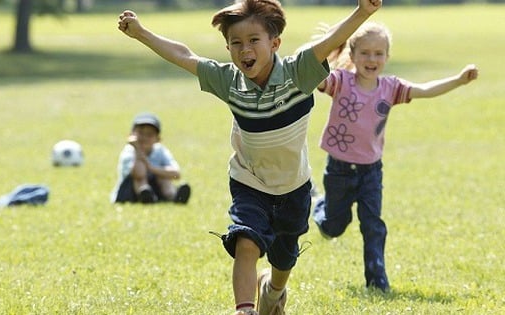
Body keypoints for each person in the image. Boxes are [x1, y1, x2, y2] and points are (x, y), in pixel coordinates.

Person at [117, 0, 381, 313]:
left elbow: (329, 41)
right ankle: (244, 308)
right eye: (236, 43)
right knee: (246, 241)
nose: (245, 50)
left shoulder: (298, 73)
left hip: (294, 186)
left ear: (275, 42)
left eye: (254, 40)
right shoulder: (229, 82)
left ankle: (272, 290)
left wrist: (363, 11)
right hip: (249, 181)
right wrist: (142, 33)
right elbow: (184, 55)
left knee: (284, 258)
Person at [311, 21, 479, 292]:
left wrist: (459, 80)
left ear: (387, 58)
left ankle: (377, 280)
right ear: (352, 56)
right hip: (339, 169)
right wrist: (326, 45)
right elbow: (313, 74)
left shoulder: (390, 87)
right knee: (333, 227)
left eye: (379, 53)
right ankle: (318, 205)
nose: (372, 59)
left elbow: (425, 90)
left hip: (371, 172)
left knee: (373, 225)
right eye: (365, 53)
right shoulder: (340, 81)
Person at [110, 112, 191, 204]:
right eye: (140, 133)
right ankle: (145, 195)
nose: (144, 137)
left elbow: (176, 174)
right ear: (131, 135)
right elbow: (139, 174)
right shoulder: (129, 152)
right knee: (140, 180)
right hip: (129, 192)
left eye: (149, 134)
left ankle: (173, 195)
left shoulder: (160, 151)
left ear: (158, 139)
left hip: (155, 188)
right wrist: (137, 149)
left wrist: (151, 168)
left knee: (163, 176)